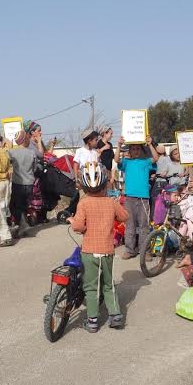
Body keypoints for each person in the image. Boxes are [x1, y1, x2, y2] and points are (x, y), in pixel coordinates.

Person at [67, 162, 129, 333]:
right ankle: (115, 315)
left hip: (89, 252)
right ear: (104, 184)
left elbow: (78, 227)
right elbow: (125, 216)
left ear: (84, 187)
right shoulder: (111, 202)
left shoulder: (84, 203)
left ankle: (93, 321)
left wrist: (73, 222)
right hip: (107, 251)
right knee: (108, 284)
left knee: (91, 287)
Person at [114, 136, 159, 260]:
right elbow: (116, 159)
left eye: (138, 148)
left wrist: (150, 144)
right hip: (129, 198)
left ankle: (145, 251)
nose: (135, 151)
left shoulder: (145, 162)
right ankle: (130, 250)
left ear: (142, 150)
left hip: (143, 198)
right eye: (133, 149)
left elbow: (156, 158)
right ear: (130, 151)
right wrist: (118, 145)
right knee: (130, 225)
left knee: (144, 226)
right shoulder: (127, 162)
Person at [8, 130, 37, 238]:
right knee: (23, 205)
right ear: (24, 139)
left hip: (18, 183)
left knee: (14, 206)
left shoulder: (12, 152)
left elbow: (8, 164)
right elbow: (34, 168)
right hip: (29, 183)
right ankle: (22, 227)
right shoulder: (32, 153)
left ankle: (23, 225)